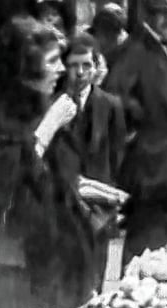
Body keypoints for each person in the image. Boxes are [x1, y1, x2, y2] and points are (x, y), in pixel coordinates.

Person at [0, 16, 95, 308]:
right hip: (22, 266)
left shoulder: (46, 104)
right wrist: (47, 128)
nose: (62, 69)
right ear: (24, 67)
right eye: (52, 61)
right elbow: (6, 189)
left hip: (61, 257)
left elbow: (56, 175)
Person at [104, 0, 167, 265]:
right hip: (150, 173)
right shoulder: (134, 52)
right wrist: (141, 118)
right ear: (148, 14)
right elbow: (112, 102)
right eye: (163, 14)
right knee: (147, 258)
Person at [61, 32, 128, 291]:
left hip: (99, 205)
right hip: (66, 203)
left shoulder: (110, 105)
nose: (80, 72)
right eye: (73, 66)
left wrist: (107, 192)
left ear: (96, 66)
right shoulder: (57, 104)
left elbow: (117, 154)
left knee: (95, 277)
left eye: (86, 65)